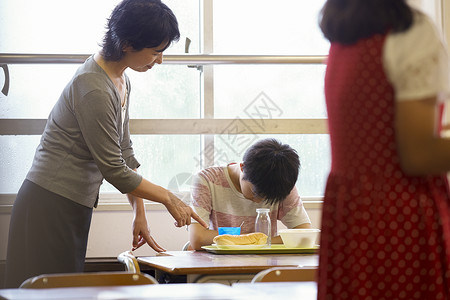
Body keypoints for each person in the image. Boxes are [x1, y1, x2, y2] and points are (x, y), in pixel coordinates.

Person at [4, 0, 207, 288]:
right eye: (155, 52)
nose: (159, 60)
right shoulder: (93, 87)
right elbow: (114, 169)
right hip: (48, 205)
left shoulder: (120, 80)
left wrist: (140, 213)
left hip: (72, 204)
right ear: (126, 44)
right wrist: (168, 198)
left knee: (63, 292)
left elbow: (124, 154)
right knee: (44, 293)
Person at [318, 0, 450, 299]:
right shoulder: (410, 30)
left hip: (351, 214)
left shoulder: (346, 35)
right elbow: (418, 154)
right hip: (399, 215)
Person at [189, 138, 312, 250]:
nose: (259, 201)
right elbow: (198, 238)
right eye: (255, 193)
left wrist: (243, 243)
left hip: (265, 266)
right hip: (219, 265)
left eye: (267, 198)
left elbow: (304, 235)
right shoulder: (207, 180)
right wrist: (259, 242)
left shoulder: (281, 184)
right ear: (243, 167)